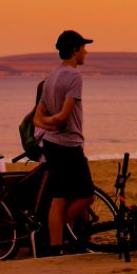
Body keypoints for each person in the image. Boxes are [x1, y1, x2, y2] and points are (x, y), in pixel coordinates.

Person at [34, 29, 96, 256]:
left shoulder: (50, 76)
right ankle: (58, 232)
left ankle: (55, 246)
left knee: (59, 197)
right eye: (83, 48)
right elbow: (64, 115)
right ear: (74, 50)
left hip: (51, 144)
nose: (86, 52)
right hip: (69, 145)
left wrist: (49, 125)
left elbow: (38, 117)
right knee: (87, 195)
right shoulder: (73, 76)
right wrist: (55, 123)